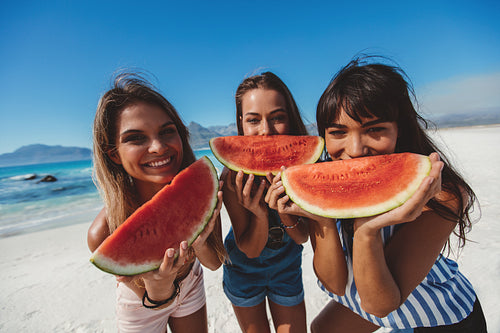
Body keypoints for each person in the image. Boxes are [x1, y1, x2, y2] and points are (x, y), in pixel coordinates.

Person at [266, 57, 487, 332]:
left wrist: (367, 230)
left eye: (374, 130)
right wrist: (321, 220)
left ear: (400, 129)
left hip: (439, 315)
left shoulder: (443, 196)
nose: (355, 148)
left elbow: (380, 304)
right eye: (338, 132)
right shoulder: (325, 177)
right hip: (374, 301)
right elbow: (334, 283)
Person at [87, 72, 226, 333]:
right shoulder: (103, 234)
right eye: (136, 138)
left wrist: (201, 243)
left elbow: (214, 262)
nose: (158, 147)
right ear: (114, 155)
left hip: (192, 284)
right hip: (142, 305)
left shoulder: (201, 194)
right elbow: (153, 296)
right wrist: (159, 286)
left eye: (167, 132)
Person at [221, 72, 309, 333]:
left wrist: (283, 210)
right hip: (242, 272)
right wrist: (258, 213)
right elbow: (248, 249)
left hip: (287, 269)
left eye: (277, 118)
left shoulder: (303, 169)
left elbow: (302, 236)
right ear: (242, 124)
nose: (266, 130)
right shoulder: (231, 178)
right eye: (253, 120)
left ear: (290, 118)